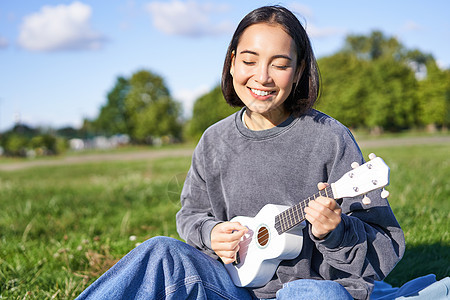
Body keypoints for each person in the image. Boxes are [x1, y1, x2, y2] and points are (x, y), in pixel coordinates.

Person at [76, 5, 405, 300]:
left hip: (312, 288)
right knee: (160, 251)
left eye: (279, 65)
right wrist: (210, 233)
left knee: (312, 294)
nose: (261, 77)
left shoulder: (329, 138)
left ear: (300, 71)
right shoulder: (214, 140)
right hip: (233, 288)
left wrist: (336, 231)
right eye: (249, 60)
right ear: (232, 62)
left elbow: (386, 246)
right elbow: (191, 215)